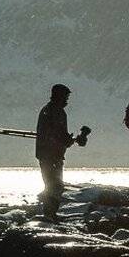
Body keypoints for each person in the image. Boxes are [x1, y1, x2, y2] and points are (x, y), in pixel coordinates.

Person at [36, 83, 85, 219]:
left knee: (51, 185)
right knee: (55, 186)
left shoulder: (48, 110)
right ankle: (50, 215)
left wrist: (68, 140)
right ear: (60, 96)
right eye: (66, 96)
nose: (67, 99)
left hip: (47, 155)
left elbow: (56, 134)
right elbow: (59, 136)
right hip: (52, 156)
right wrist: (71, 140)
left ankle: (49, 214)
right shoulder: (57, 111)